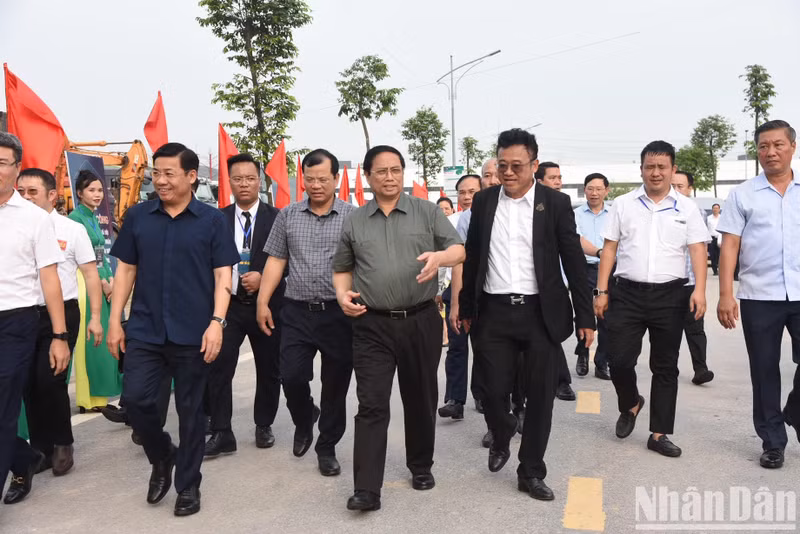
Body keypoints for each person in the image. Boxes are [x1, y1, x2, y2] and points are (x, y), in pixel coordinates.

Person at [460, 129, 594, 501]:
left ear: (534, 165)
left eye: (516, 166)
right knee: (491, 388)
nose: (507, 172)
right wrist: (466, 306)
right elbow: (473, 256)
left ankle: (531, 470)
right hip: (494, 312)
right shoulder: (484, 202)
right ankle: (501, 433)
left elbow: (574, 260)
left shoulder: (555, 203)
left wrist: (586, 316)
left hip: (540, 314)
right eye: (502, 165)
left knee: (539, 397)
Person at [107, 143, 240, 516]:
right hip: (146, 329)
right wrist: (116, 319)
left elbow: (222, 275)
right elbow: (127, 270)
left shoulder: (212, 221)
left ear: (191, 176)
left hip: (194, 332)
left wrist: (217, 322)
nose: (160, 180)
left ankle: (188, 486)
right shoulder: (138, 216)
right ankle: (163, 454)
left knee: (192, 411)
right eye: (156, 173)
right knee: (136, 401)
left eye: (168, 173)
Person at [333, 145, 464, 512]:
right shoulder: (356, 220)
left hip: (420, 319)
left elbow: (459, 250)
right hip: (371, 323)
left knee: (420, 397)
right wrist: (342, 295)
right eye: (381, 172)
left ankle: (420, 465)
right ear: (368, 177)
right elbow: (342, 268)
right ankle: (367, 489)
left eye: (395, 170)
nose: (389, 177)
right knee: (371, 404)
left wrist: (440, 257)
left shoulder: (425, 211)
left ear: (403, 174)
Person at [595, 141, 709, 459]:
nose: (655, 172)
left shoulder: (686, 207)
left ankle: (659, 433)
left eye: (662, 167)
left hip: (671, 296)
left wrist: (700, 289)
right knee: (618, 360)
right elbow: (609, 249)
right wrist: (601, 291)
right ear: (641, 169)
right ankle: (630, 402)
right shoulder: (623, 204)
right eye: (649, 166)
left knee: (665, 366)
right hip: (626, 293)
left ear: (672, 170)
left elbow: (698, 249)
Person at [258, 148, 355, 477]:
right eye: (309, 179)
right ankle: (303, 420)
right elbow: (276, 260)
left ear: (336, 179)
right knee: (292, 375)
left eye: (323, 179)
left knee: (335, 386)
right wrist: (262, 301)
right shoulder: (287, 215)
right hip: (296, 311)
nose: (316, 185)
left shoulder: (353, 217)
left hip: (338, 314)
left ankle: (326, 447)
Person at [9, 169, 103, 490]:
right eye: (21, 190)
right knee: (29, 384)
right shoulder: (12, 226)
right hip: (22, 313)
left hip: (62, 313)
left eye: (32, 191)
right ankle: (40, 448)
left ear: (52, 195)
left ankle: (62, 442)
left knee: (51, 379)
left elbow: (90, 273)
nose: (25, 196)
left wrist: (95, 317)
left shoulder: (71, 229)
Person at [717, 120, 799, 469]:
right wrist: (724, 294)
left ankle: (793, 411)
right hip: (758, 296)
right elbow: (730, 246)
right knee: (764, 370)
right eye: (764, 146)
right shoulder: (743, 194)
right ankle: (773, 441)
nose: (770, 152)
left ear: (792, 147)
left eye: (778, 145)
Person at [0, 133, 70, 504]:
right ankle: (24, 457)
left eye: (1, 163)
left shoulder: (33, 219)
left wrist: (59, 335)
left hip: (16, 321)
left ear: (15, 168)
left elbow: (49, 278)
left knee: (4, 404)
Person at [204, 153, 284, 458]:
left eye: (250, 178)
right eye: (238, 178)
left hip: (267, 305)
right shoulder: (216, 219)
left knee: (269, 367)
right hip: (230, 306)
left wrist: (264, 277)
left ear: (260, 180)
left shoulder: (277, 217)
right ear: (229, 182)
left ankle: (264, 424)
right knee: (219, 366)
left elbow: (289, 260)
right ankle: (222, 430)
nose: (244, 184)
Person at [68, 170, 123, 414]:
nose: (98, 194)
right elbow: (84, 259)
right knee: (88, 341)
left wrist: (109, 277)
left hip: (100, 279)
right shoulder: (75, 219)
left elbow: (100, 256)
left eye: (100, 190)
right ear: (79, 193)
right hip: (84, 282)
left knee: (100, 343)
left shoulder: (92, 217)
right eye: (91, 190)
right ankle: (86, 398)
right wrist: (103, 282)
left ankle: (98, 396)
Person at [439, 174, 481, 421]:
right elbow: (449, 263)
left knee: (483, 348)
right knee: (456, 347)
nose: (467, 197)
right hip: (455, 291)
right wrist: (448, 297)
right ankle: (455, 400)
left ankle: (481, 394)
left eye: (472, 192)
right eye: (462, 193)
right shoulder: (453, 221)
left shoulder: (492, 217)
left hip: (482, 295)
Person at [534, 161, 577, 401]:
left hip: (555, 285)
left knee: (551, 335)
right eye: (553, 178)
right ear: (540, 181)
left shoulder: (561, 205)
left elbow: (572, 245)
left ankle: (562, 381)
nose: (558, 182)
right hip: (532, 287)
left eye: (560, 177)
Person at [671, 170, 714, 386]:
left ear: (690, 189)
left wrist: (701, 287)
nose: (677, 190)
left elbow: (702, 249)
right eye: (674, 185)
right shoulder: (661, 210)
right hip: (668, 284)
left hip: (690, 283)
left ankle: (701, 368)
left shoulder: (697, 212)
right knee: (670, 330)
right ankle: (669, 369)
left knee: (695, 327)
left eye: (681, 186)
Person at [573, 173, 612, 380]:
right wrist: (599, 252)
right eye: (590, 188)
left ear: (607, 190)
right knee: (583, 314)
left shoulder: (614, 214)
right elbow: (576, 239)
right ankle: (582, 354)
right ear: (585, 190)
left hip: (607, 272)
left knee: (606, 316)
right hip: (584, 270)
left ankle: (602, 362)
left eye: (598, 189)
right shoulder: (576, 214)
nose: (594, 193)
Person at [707, 203, 721, 275]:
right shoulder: (708, 218)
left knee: (720, 255)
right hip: (711, 238)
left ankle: (720, 269)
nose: (715, 209)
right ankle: (715, 270)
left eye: (717, 208)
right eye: (714, 208)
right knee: (712, 255)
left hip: (720, 238)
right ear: (712, 209)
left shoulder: (722, 218)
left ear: (719, 209)